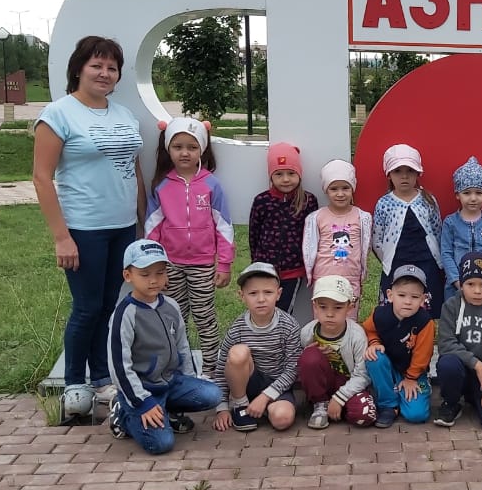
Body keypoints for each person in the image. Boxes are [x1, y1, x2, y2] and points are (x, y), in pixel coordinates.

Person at [33, 35, 144, 418]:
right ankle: (74, 383)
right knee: (87, 307)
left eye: (112, 68)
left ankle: (100, 377)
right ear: (78, 69)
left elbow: (135, 170)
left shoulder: (124, 115)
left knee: (109, 304)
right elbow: (41, 178)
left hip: (123, 226)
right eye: (96, 65)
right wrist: (61, 237)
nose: (104, 73)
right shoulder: (58, 115)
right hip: (84, 229)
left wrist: (142, 223)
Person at [106, 240, 220, 454]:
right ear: (128, 276)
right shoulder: (125, 315)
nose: (153, 280)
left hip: (170, 382)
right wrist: (141, 402)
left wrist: (189, 379)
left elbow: (183, 346)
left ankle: (169, 410)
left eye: (160, 272)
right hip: (142, 389)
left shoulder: (171, 306)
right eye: (145, 274)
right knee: (161, 444)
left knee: (212, 394)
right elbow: (119, 366)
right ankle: (123, 413)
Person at [145, 117, 234, 376]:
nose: (185, 153)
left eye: (192, 147)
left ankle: (211, 369)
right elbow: (152, 227)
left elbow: (224, 226)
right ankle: (177, 368)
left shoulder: (211, 184)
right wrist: (154, 266)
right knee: (174, 317)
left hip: (203, 265)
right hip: (170, 265)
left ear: (202, 150)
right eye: (178, 147)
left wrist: (224, 263)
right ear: (168, 149)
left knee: (205, 317)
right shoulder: (162, 186)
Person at [209, 262, 303, 433]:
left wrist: (265, 397)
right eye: (253, 293)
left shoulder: (289, 326)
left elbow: (293, 369)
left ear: (278, 294)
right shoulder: (237, 328)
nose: (261, 299)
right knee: (238, 353)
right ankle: (240, 405)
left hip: (277, 385)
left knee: (282, 419)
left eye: (268, 292)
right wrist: (221, 407)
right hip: (247, 383)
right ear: (242, 296)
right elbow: (222, 367)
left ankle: (261, 407)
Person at [434, 252, 482, 430]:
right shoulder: (451, 306)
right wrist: (476, 363)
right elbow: (446, 344)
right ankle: (451, 403)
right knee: (448, 363)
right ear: (461, 284)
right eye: (470, 284)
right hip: (460, 369)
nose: (477, 291)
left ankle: (476, 396)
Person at [373, 144, 446, 319]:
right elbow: (377, 239)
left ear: (418, 173)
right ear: (389, 174)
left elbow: (437, 231)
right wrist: (387, 259)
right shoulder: (384, 203)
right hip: (397, 262)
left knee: (426, 308)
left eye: (410, 171)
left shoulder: (428, 201)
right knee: (397, 308)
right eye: (398, 171)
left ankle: (424, 333)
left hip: (427, 263)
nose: (404, 176)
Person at [297, 275, 378, 429]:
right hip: (323, 382)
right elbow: (299, 367)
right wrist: (308, 355)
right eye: (323, 307)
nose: (330, 314)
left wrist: (340, 398)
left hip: (349, 385)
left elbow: (363, 374)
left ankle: (339, 407)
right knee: (309, 356)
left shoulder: (357, 335)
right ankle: (320, 404)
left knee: (365, 416)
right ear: (315, 306)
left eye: (338, 307)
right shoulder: (307, 332)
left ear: (350, 306)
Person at [361, 265, 436, 428]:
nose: (407, 302)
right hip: (388, 367)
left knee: (416, 415)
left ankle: (417, 387)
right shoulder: (379, 314)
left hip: (413, 371)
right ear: (390, 295)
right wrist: (374, 343)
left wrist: (411, 378)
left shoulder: (425, 322)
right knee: (374, 357)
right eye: (401, 295)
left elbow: (423, 355)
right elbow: (368, 330)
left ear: (423, 299)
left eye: (415, 297)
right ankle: (389, 405)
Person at [249, 142, 318, 313]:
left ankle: (283, 331)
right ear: (271, 176)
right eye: (279, 174)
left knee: (284, 311)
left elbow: (313, 235)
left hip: (293, 270)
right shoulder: (262, 201)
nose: (286, 179)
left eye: (291, 173)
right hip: (265, 268)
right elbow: (254, 234)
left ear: (299, 174)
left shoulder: (308, 201)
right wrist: (256, 261)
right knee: (264, 309)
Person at [303, 159, 372, 315]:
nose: (340, 194)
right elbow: (310, 246)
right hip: (323, 277)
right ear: (326, 190)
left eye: (345, 188)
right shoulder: (316, 217)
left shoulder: (362, 217)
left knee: (348, 317)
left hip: (351, 278)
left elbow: (366, 246)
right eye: (334, 189)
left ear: (352, 188)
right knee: (325, 318)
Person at [441, 157, 482, 304]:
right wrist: (456, 281)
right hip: (456, 287)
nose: (473, 198)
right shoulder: (450, 222)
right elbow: (446, 253)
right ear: (458, 194)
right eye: (467, 193)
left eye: (479, 192)